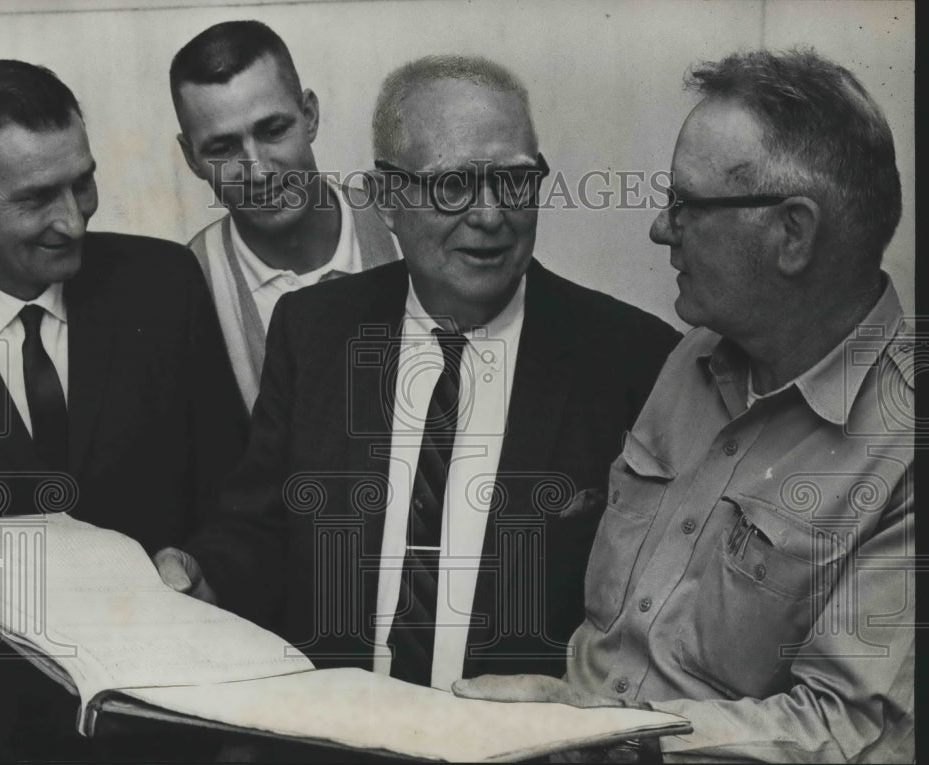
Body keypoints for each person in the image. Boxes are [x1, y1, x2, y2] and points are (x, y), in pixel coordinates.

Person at [156, 55, 679, 694]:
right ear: (386, 198)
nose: (491, 215)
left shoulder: (632, 358)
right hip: (336, 738)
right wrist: (205, 575)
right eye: (453, 185)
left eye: (514, 182)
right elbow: (261, 525)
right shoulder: (315, 330)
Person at [454, 48, 914, 763]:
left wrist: (610, 737)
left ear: (792, 232)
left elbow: (855, 730)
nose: (660, 230)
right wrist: (560, 709)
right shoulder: (691, 356)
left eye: (686, 205)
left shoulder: (905, 445)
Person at [0, 59, 247, 760]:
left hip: (167, 730)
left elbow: (242, 492)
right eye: (37, 197)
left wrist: (203, 565)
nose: (72, 220)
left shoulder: (164, 285)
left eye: (83, 181)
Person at [170, 20, 398, 414]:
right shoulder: (187, 286)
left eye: (273, 130)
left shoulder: (406, 228)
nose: (257, 170)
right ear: (192, 158)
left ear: (309, 115)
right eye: (223, 148)